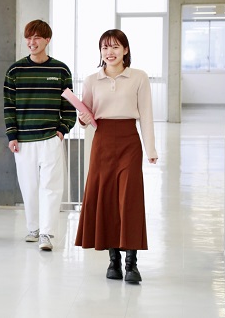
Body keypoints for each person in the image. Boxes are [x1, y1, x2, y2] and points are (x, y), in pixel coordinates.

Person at [74, 29, 158, 284]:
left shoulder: (138, 77)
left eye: (115, 47)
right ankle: (114, 261)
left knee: (129, 200)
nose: (109, 52)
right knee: (108, 199)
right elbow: (86, 116)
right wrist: (82, 118)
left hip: (129, 142)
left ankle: (132, 263)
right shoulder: (92, 80)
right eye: (105, 48)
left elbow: (146, 114)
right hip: (102, 143)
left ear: (125, 50)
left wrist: (151, 149)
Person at [4, 19, 76, 251]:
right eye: (28, 37)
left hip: (50, 138)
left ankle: (47, 233)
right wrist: (12, 136)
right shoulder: (15, 71)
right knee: (29, 186)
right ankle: (33, 228)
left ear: (47, 40)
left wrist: (62, 131)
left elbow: (69, 107)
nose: (31, 42)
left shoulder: (61, 70)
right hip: (24, 141)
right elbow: (9, 106)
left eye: (36, 37)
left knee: (51, 187)